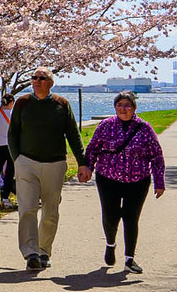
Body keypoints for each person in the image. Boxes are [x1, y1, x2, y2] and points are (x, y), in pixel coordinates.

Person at [9, 68, 91, 271]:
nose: (36, 81)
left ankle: (44, 250)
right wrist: (16, 159)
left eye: (41, 78)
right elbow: (13, 133)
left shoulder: (62, 105)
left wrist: (82, 162)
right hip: (27, 163)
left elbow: (73, 134)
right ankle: (31, 253)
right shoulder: (22, 102)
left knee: (50, 210)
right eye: (34, 77)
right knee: (27, 208)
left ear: (50, 83)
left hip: (55, 164)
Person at [82, 91, 166, 274]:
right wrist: (88, 167)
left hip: (138, 180)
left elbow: (156, 156)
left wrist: (159, 181)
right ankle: (110, 244)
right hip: (108, 178)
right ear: (114, 107)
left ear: (134, 108)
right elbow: (93, 148)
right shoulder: (106, 125)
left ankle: (129, 258)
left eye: (127, 105)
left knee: (131, 218)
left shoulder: (144, 128)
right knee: (111, 216)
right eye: (119, 105)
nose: (123, 109)